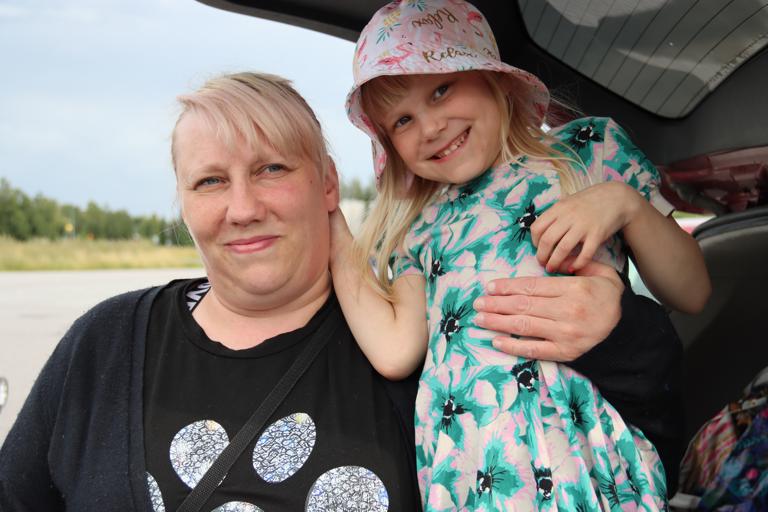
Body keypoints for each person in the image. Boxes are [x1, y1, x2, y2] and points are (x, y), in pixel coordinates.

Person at [0, 72, 682, 510]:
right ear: (182, 205)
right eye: (209, 181)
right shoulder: (106, 344)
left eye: (272, 169)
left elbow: (637, 424)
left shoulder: (431, 337)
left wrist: (619, 329)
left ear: (328, 184)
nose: (243, 208)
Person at [330, 1, 710, 510]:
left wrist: (627, 206)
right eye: (402, 120)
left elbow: (692, 292)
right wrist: (331, 226)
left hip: (581, 457)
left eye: (442, 89)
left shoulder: (586, 152)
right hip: (474, 470)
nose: (430, 127)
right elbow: (396, 350)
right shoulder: (416, 227)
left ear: (493, 78)